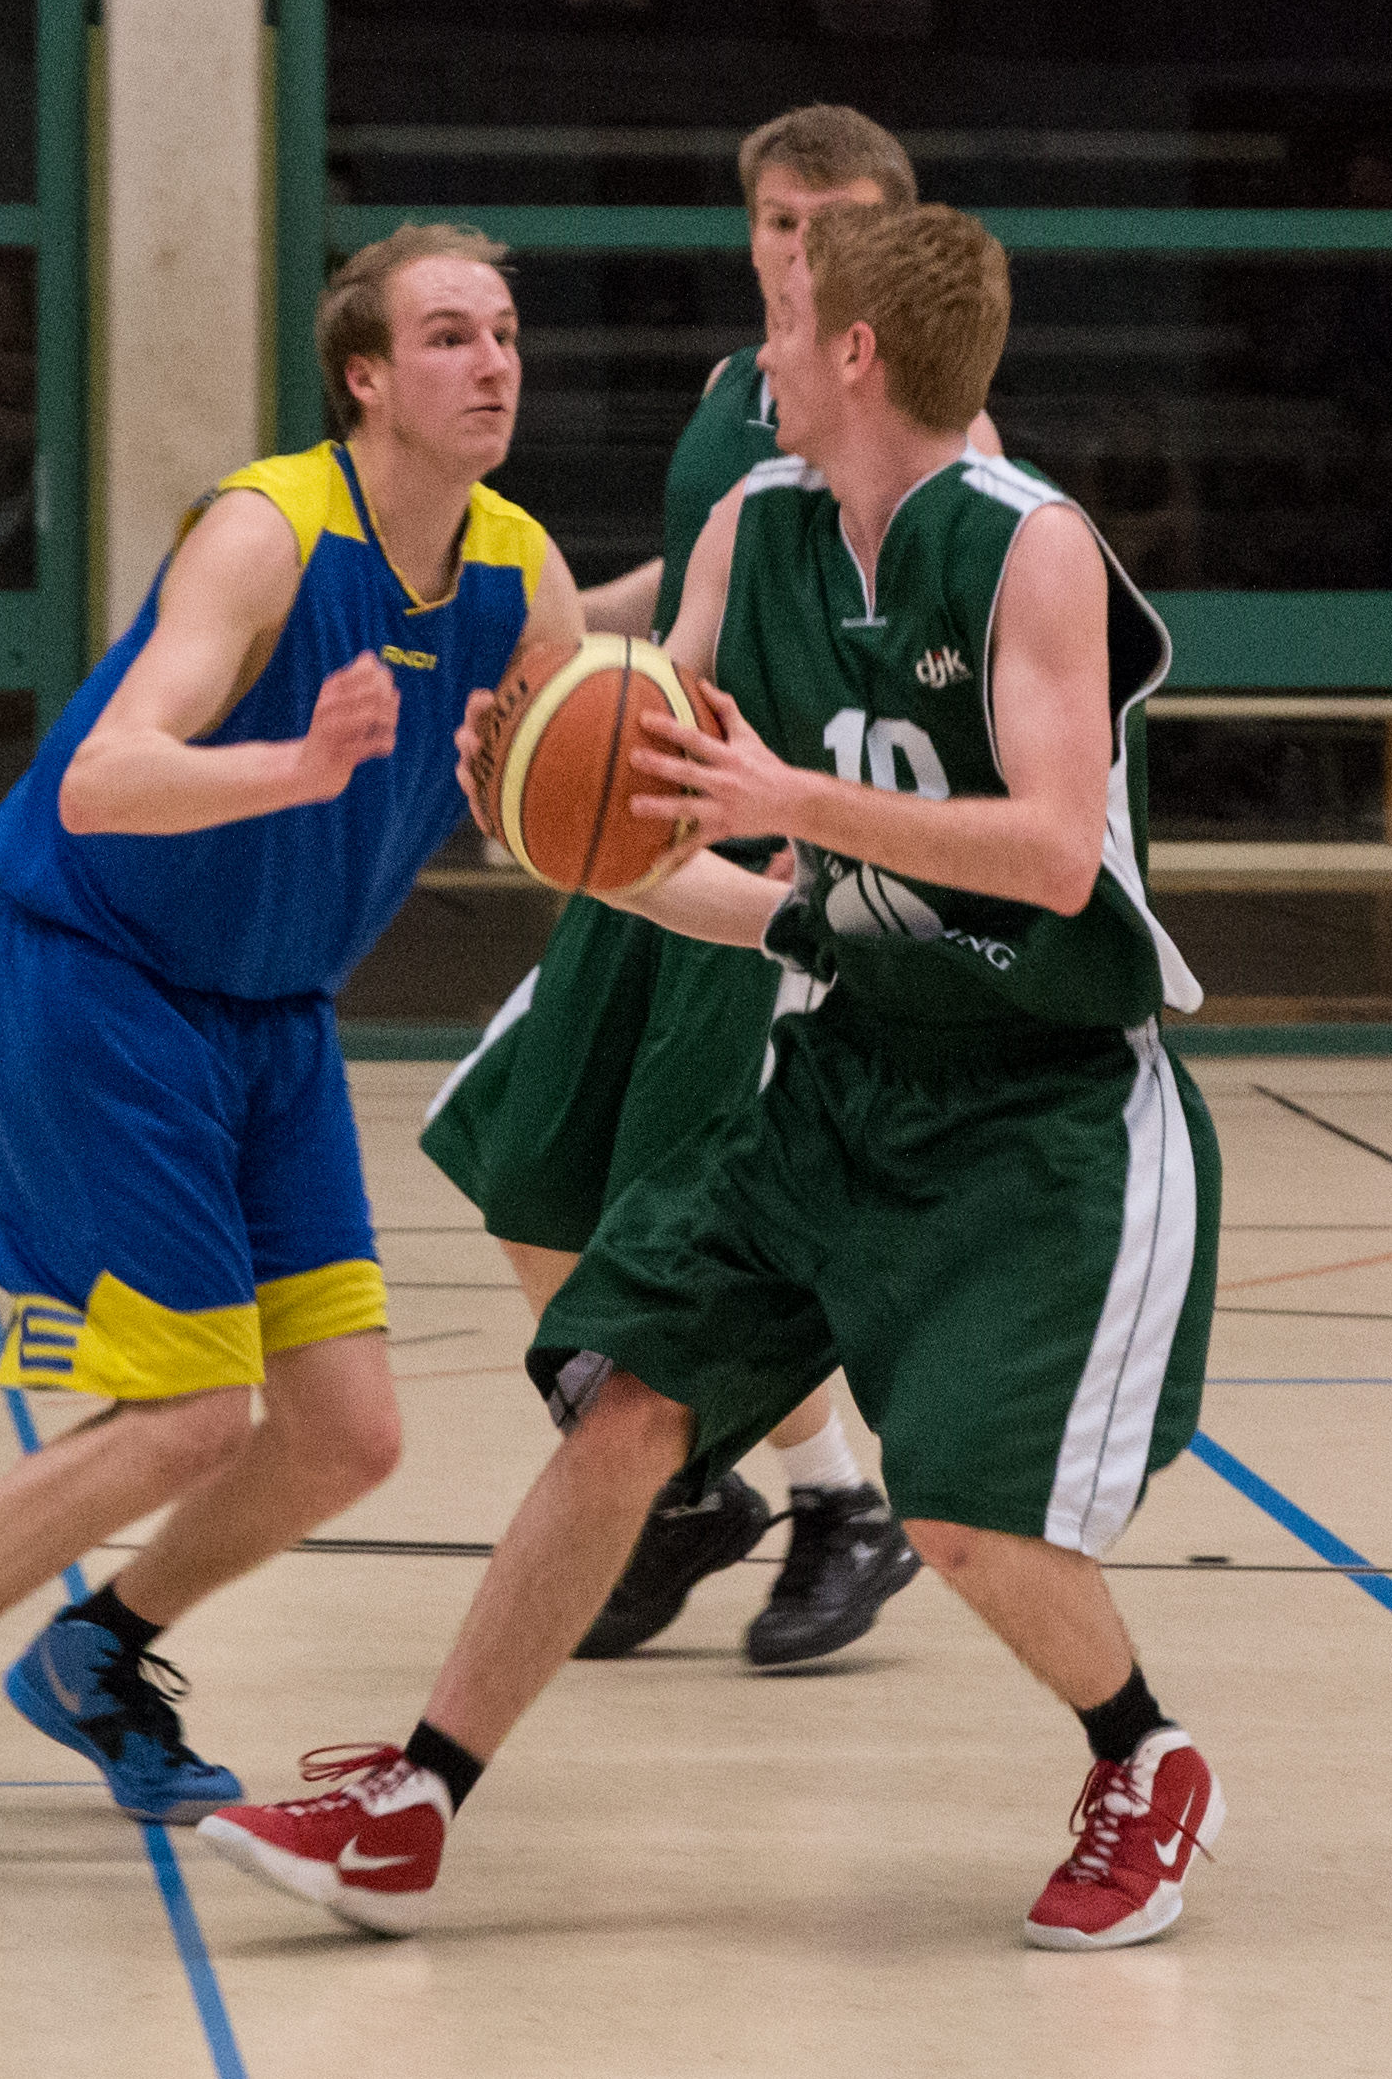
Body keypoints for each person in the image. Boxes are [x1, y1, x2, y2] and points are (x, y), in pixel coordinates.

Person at [207, 203, 1225, 1954]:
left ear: (857, 353)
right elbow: (668, 815)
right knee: (625, 1409)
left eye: (792, 320)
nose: (763, 347)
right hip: (838, 1065)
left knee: (959, 1512)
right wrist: (535, 795)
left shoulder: (1027, 545)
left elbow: (1056, 852)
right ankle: (413, 1801)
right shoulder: (759, 524)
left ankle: (1144, 1755)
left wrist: (790, 803)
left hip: (1041, 1101)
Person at [0, 226, 585, 1891]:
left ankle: (96, 1652)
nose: (492, 362)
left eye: (503, 332)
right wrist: (296, 765)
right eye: (449, 334)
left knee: (344, 1431)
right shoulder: (267, 530)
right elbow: (101, 774)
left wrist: (773, 879)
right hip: (100, 978)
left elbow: (582, 790)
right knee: (188, 1414)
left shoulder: (512, 565)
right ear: (365, 375)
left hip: (273, 1011)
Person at [426, 106, 979, 1665]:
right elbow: (691, 587)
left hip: (770, 858)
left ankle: (835, 1499)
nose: (803, 245)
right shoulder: (735, 388)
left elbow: (940, 664)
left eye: (838, 219)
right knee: (518, 1157)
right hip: (652, 829)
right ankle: (682, 1491)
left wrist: (859, 832)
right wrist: (543, 672)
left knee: (694, 1210)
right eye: (781, 218)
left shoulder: (938, 430)